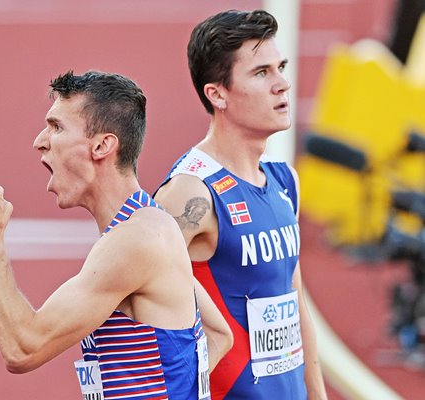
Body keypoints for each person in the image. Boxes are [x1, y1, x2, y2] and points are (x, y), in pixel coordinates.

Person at [0, 70, 233, 400]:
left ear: (103, 145)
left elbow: (23, 349)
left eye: (56, 127)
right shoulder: (149, 226)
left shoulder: (138, 240)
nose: (40, 141)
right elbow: (217, 333)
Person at [154, 10, 328, 399]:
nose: (282, 84)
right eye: (261, 73)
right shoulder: (190, 191)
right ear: (217, 93)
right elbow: (127, 284)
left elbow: (294, 301)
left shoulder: (285, 183)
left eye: (280, 67)